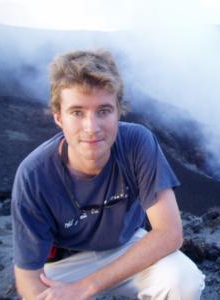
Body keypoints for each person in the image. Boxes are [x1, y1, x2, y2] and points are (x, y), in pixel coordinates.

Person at [11, 49, 205, 300]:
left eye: (103, 111)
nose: (92, 128)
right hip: (65, 263)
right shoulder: (34, 175)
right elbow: (28, 279)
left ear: (118, 111)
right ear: (58, 117)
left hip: (128, 247)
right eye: (77, 112)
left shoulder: (137, 143)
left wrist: (87, 287)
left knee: (183, 282)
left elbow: (169, 233)